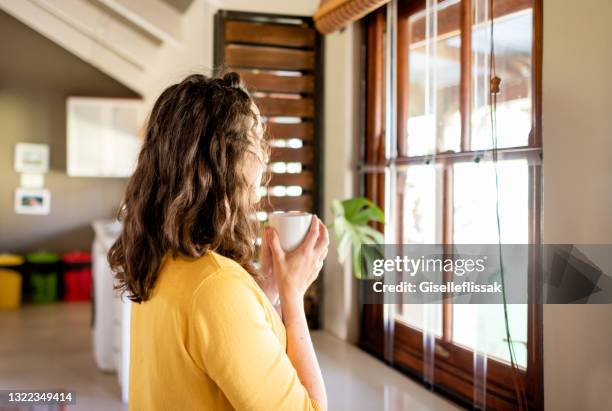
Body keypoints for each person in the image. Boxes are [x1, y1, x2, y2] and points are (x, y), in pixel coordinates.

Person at [108, 72, 328, 411]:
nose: (264, 154)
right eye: (256, 137)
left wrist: (267, 288)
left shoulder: (156, 258)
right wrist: (294, 297)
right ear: (225, 159)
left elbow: (207, 349)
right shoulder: (216, 286)